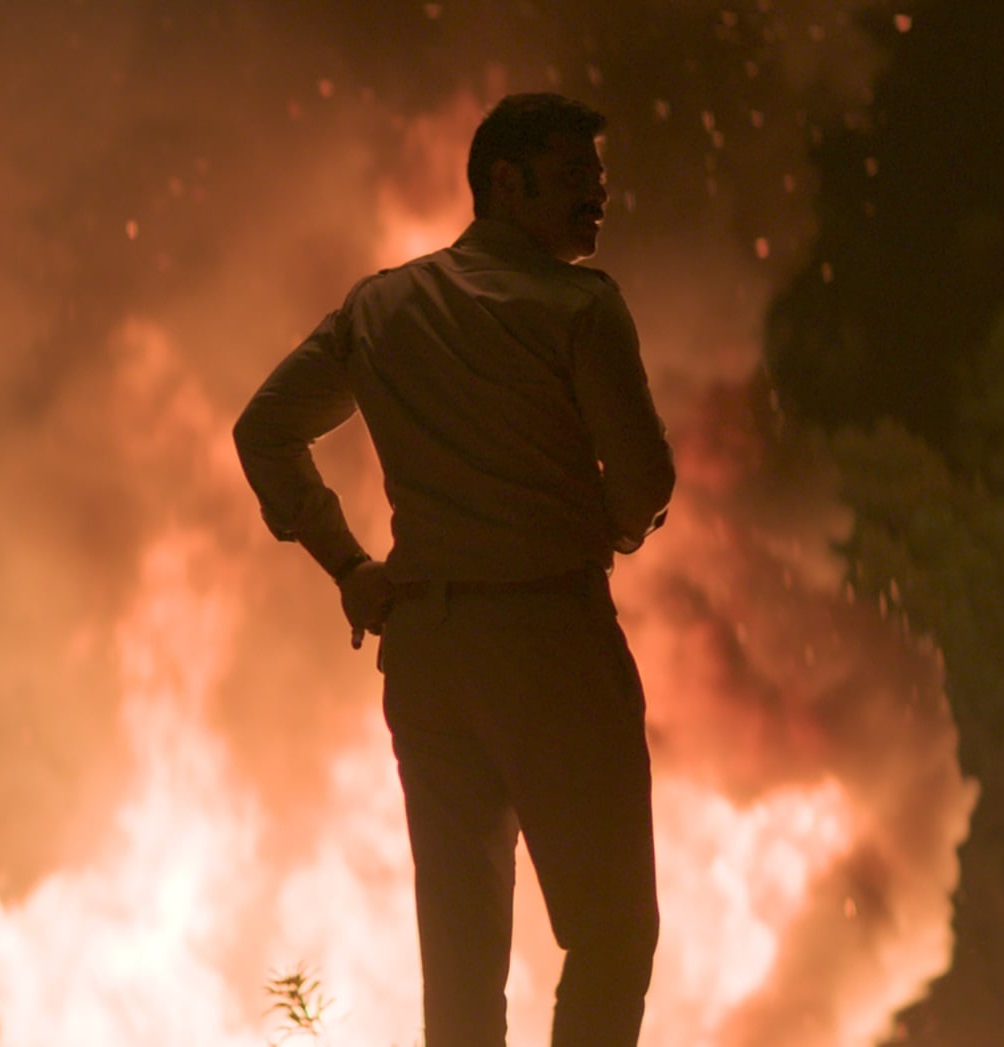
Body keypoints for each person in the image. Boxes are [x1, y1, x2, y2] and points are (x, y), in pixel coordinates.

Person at [232, 93, 675, 1046]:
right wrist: (600, 529)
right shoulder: (580, 308)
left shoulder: (379, 307)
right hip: (552, 644)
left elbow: (265, 430)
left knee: (463, 960)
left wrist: (350, 566)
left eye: (599, 179)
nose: (597, 196)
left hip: (429, 654)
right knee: (610, 931)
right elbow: (646, 482)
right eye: (574, 176)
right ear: (505, 182)